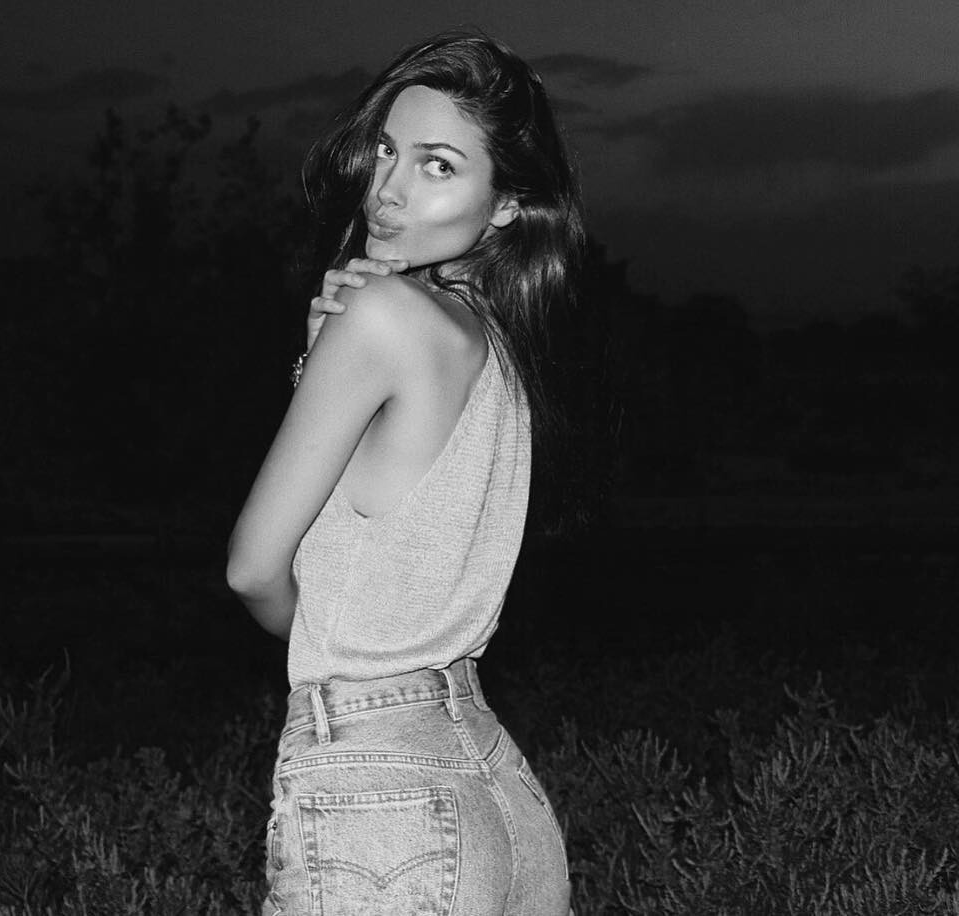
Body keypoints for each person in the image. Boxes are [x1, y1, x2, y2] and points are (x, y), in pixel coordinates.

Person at [227, 30, 584, 916]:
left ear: (506, 204)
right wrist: (320, 363)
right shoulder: (502, 351)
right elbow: (386, 527)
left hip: (381, 794)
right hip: (496, 791)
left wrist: (336, 656)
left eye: (438, 166)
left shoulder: (384, 313)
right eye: (387, 151)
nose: (388, 190)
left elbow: (253, 569)